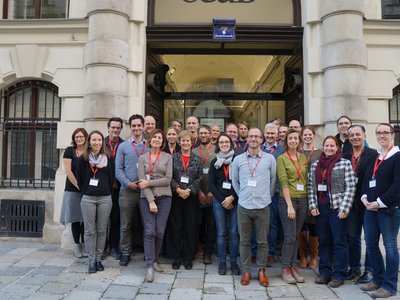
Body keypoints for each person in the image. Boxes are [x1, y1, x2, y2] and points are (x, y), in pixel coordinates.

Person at [308, 136, 356, 288]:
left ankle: (339, 274)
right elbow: (311, 187)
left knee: (339, 242)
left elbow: (351, 186)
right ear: (323, 147)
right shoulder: (316, 165)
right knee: (323, 241)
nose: (329, 148)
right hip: (321, 209)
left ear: (337, 148)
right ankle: (324, 272)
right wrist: (312, 205)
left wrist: (345, 208)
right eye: (326, 146)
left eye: (332, 146)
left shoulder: (344, 163)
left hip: (337, 208)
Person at [359, 123, 400, 298]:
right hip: (370, 209)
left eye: (385, 132)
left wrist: (380, 202)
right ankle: (377, 279)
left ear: (392, 135)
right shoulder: (374, 157)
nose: (382, 135)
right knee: (371, 245)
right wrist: (365, 198)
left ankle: (389, 286)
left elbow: (397, 186)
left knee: (390, 247)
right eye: (379, 133)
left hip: (388, 210)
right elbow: (367, 180)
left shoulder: (397, 156)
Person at [231, 127, 276, 287]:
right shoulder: (238, 159)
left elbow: (273, 181)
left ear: (262, 139)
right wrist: (243, 195)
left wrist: (265, 196)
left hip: (263, 205)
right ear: (247, 139)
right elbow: (235, 182)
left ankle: (261, 270)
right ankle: (246, 271)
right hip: (244, 205)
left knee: (263, 241)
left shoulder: (270, 159)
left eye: (257, 136)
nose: (254, 139)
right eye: (251, 136)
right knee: (244, 241)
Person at [138, 129, 173, 282]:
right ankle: (149, 265)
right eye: (155, 137)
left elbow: (167, 179)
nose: (157, 140)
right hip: (145, 198)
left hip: (165, 197)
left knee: (159, 231)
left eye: (160, 137)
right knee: (149, 231)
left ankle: (154, 258)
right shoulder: (142, 158)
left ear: (162, 141)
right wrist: (151, 201)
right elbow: (141, 182)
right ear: (150, 140)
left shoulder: (168, 157)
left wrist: (150, 182)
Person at [77, 130, 114, 274]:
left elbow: (112, 178)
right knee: (89, 230)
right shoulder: (83, 159)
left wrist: (105, 189)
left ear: (102, 142)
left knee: (102, 229)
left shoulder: (108, 158)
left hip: (105, 198)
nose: (97, 142)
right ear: (89, 142)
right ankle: (91, 260)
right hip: (88, 198)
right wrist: (86, 190)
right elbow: (80, 178)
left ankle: (99, 259)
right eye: (94, 140)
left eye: (99, 140)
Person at [343, 125, 377, 283]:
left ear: (364, 136)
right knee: (352, 236)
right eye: (352, 135)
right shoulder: (345, 155)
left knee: (370, 237)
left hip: (369, 202)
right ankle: (354, 267)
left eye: (358, 134)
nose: (355, 137)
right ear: (348, 138)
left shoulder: (373, 154)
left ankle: (370, 270)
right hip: (351, 202)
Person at [115, 114, 150, 266]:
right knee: (126, 224)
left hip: (146, 191)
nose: (136, 128)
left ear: (143, 127)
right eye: (133, 126)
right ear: (130, 127)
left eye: (139, 125)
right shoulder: (123, 146)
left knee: (146, 223)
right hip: (127, 191)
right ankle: (125, 252)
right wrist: (129, 183)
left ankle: (147, 251)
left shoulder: (149, 145)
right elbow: (118, 170)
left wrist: (146, 183)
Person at [166, 130, 202, 270]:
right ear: (179, 142)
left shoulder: (197, 159)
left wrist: (189, 190)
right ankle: (176, 257)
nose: (185, 143)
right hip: (176, 196)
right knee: (176, 227)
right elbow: (169, 176)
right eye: (183, 140)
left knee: (190, 227)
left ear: (192, 142)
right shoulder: (172, 158)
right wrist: (178, 189)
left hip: (191, 198)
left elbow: (199, 178)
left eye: (188, 140)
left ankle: (188, 257)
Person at [277, 129, 308, 284]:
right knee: (289, 236)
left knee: (296, 235)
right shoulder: (282, 159)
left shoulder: (303, 158)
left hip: (302, 201)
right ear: (286, 141)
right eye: (290, 138)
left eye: (296, 138)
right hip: (287, 201)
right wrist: (289, 205)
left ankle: (294, 266)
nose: (293, 141)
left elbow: (305, 180)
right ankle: (285, 268)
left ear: (299, 140)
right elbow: (283, 182)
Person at [208, 133, 240, 276]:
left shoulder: (238, 160)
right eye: (221, 142)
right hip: (219, 201)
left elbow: (241, 181)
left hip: (235, 200)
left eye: (227, 142)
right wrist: (223, 200)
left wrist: (232, 197)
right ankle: (222, 261)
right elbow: (211, 185)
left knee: (233, 232)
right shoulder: (214, 162)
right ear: (218, 145)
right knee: (221, 232)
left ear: (231, 143)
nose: (224, 144)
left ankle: (233, 261)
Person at [60, 128, 88, 258]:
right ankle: (77, 245)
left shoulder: (89, 151)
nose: (79, 139)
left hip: (87, 190)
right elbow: (68, 171)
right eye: (77, 137)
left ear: (85, 137)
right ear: (74, 138)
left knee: (85, 219)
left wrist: (84, 187)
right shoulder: (69, 151)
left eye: (81, 136)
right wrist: (78, 185)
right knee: (76, 219)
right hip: (72, 190)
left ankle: (84, 244)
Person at [260, 123, 284, 266]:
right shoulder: (258, 149)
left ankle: (270, 254)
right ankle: (257, 251)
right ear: (264, 134)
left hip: (274, 193)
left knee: (273, 224)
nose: (269, 136)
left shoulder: (282, 150)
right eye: (267, 133)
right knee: (258, 224)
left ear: (277, 135)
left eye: (272, 134)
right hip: (259, 192)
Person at [298, 126, 322, 269]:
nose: (307, 137)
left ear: (313, 136)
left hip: (314, 193)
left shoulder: (320, 153)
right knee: (301, 225)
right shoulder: (297, 152)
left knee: (313, 226)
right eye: (305, 134)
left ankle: (313, 256)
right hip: (299, 192)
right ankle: (302, 256)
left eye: (309, 134)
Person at [193, 125, 216, 265]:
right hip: (198, 193)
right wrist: (199, 192)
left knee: (211, 225)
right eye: (201, 133)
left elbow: (220, 174)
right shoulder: (193, 151)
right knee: (198, 224)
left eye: (206, 133)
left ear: (210, 134)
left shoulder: (217, 150)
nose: (203, 135)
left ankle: (208, 252)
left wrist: (212, 191)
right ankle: (198, 247)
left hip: (213, 194)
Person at [103, 117, 124, 260]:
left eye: (118, 127)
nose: (115, 130)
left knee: (116, 218)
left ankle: (114, 246)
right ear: (108, 128)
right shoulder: (100, 143)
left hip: (118, 187)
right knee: (102, 219)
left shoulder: (124, 144)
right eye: (113, 127)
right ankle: (103, 247)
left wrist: (116, 180)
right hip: (103, 186)